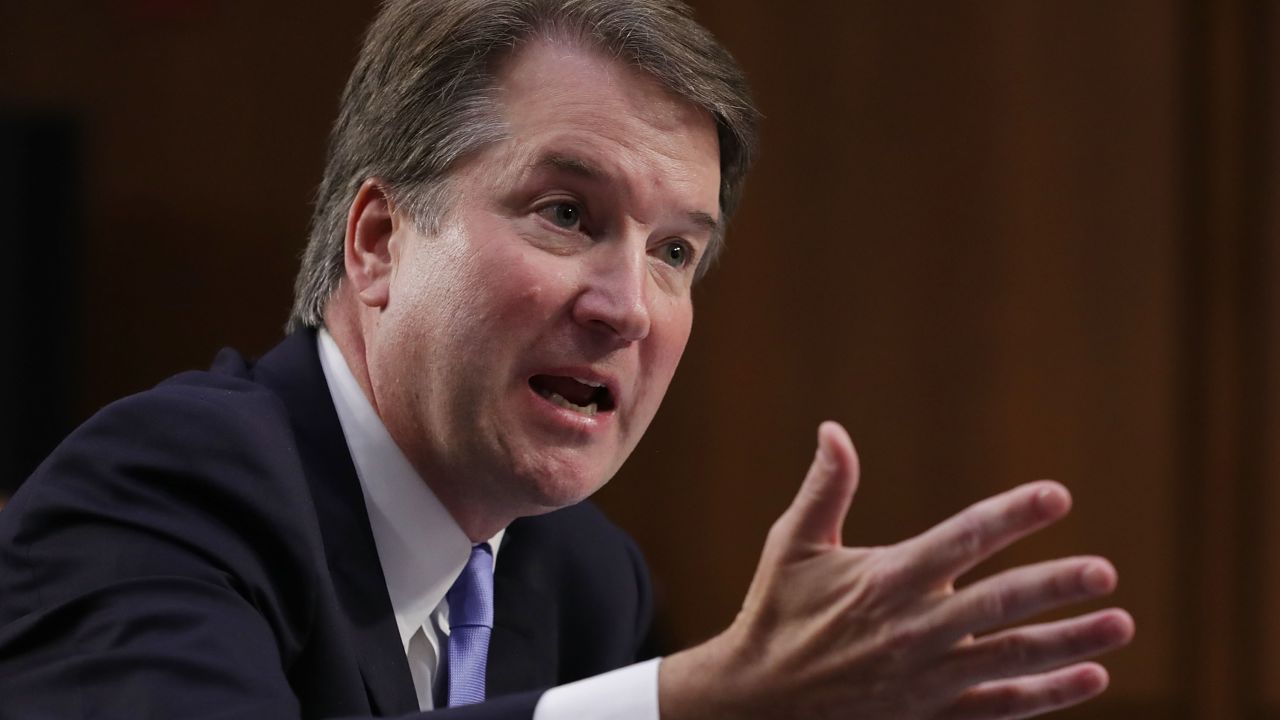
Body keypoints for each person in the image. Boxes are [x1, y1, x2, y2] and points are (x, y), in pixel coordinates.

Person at [0, 0, 1134, 718]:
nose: (627, 307)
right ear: (381, 241)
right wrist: (687, 705)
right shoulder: (164, 490)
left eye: (676, 250)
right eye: (564, 212)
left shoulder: (581, 579)